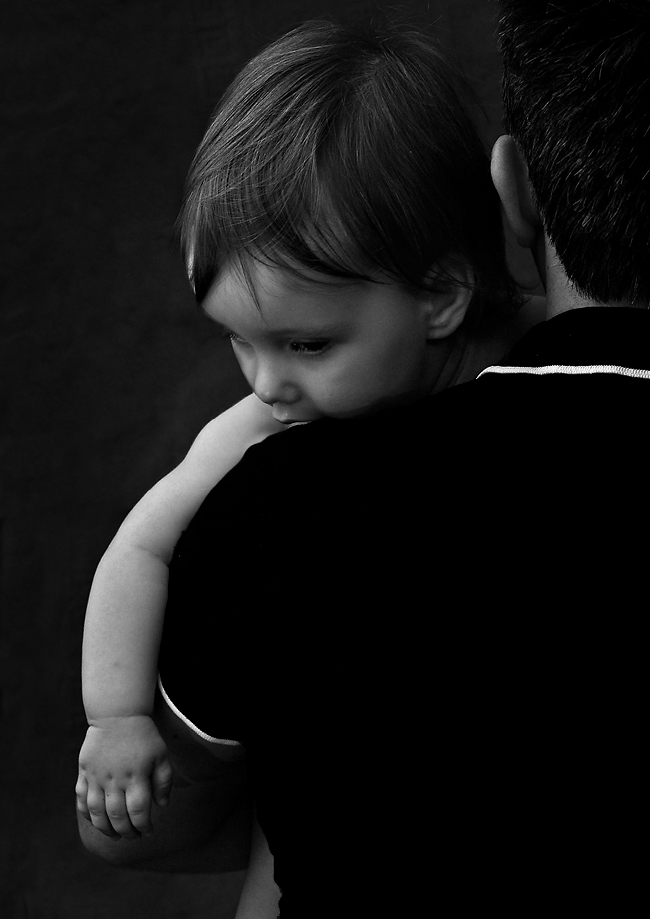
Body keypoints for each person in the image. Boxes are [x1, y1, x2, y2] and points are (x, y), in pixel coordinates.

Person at [145, 2, 649, 912]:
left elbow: (144, 824)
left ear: (517, 191)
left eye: (305, 344)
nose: (265, 385)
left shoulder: (278, 506)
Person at [75, 17, 543, 916]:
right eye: (239, 343)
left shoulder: (539, 357)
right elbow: (138, 548)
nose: (266, 381)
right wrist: (118, 715)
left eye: (304, 343)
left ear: (443, 295)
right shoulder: (255, 434)